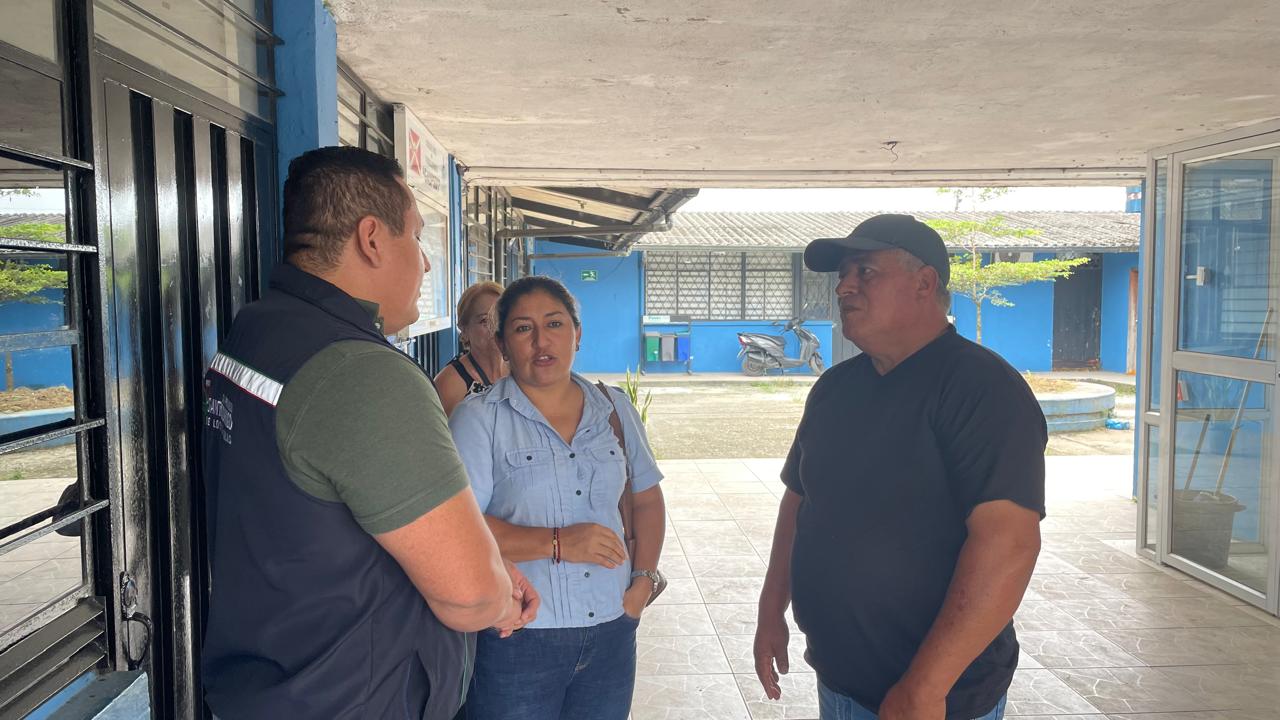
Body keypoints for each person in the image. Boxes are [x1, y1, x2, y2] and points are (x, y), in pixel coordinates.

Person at [200, 146, 537, 720]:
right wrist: (497, 596)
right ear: (373, 239)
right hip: (352, 699)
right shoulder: (363, 373)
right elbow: (470, 594)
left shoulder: (257, 329)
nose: (425, 264)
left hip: (271, 680)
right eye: (417, 237)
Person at [753, 214, 1045, 720]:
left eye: (865, 271)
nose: (844, 286)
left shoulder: (982, 389)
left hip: (938, 698)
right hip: (840, 679)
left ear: (924, 283)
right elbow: (799, 501)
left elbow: (1009, 544)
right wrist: (770, 608)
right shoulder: (835, 389)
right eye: (843, 274)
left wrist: (924, 687)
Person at [448, 276, 667, 720]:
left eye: (554, 323)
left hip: (611, 627)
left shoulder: (614, 409)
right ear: (502, 344)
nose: (541, 341)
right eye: (523, 328)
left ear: (577, 334)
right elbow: (459, 530)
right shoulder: (479, 418)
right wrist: (558, 542)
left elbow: (646, 499)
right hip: (518, 636)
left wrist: (642, 584)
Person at [436, 281, 507, 416]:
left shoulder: (521, 369)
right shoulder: (449, 384)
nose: (496, 327)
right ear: (464, 330)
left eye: (501, 318)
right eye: (485, 321)